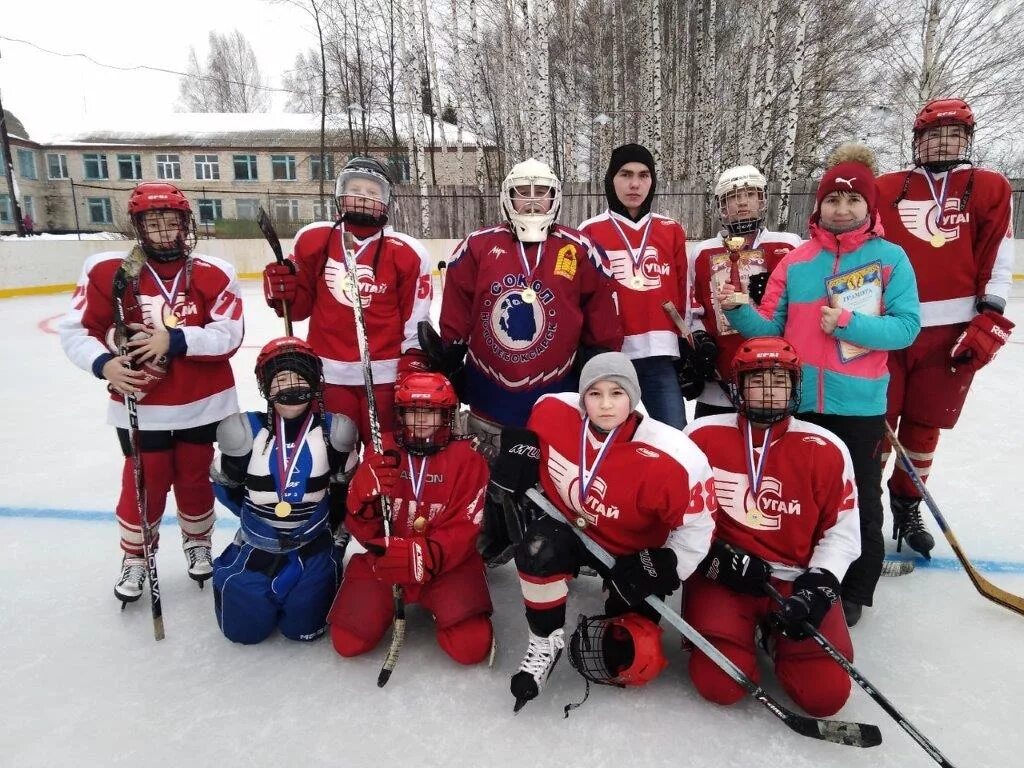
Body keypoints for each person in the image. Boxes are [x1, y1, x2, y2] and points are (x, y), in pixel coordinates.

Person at [717, 144, 920, 626]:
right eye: (833, 200)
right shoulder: (798, 262)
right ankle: (805, 575)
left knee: (860, 501)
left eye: (853, 202)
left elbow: (907, 327)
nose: (842, 210)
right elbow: (771, 330)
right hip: (801, 402)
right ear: (819, 206)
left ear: (869, 208)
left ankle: (853, 591)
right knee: (804, 498)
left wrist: (848, 323)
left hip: (860, 407)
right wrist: (738, 310)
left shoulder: (891, 259)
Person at [59, 181, 243, 605]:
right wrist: (104, 363)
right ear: (138, 226)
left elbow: (229, 334)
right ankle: (136, 556)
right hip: (141, 403)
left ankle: (198, 542)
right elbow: (77, 330)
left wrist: (174, 340)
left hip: (202, 401)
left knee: (195, 476)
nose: (163, 231)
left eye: (171, 221)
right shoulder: (109, 271)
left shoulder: (214, 273)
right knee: (145, 479)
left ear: (186, 224)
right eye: (153, 221)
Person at [500, 352, 716, 711]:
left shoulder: (674, 456)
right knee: (538, 547)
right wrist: (520, 452)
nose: (605, 405)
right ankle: (544, 640)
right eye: (595, 394)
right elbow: (529, 435)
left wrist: (667, 564)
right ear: (582, 396)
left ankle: (621, 604)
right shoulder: (552, 410)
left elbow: (699, 528)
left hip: (631, 554)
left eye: (616, 393)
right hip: (570, 528)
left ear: (633, 396)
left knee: (627, 654)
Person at [683, 336, 860, 718]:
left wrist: (820, 585)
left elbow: (842, 531)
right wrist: (715, 560)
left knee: (825, 696)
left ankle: (777, 638)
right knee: (720, 685)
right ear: (738, 387)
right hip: (727, 579)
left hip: (794, 579)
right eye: (757, 382)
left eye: (779, 383)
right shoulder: (700, 436)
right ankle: (744, 630)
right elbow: (680, 516)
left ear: (795, 389)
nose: (768, 392)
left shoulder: (826, 447)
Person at [876, 98, 1015, 558]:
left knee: (923, 426)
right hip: (889, 324)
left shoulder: (990, 187)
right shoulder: (886, 187)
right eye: (933, 134)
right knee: (875, 423)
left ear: (969, 138)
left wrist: (988, 315)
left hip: (949, 330)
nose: (943, 142)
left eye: (954, 133)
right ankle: (863, 508)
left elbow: (996, 254)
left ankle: (907, 500)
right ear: (917, 140)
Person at [437, 158, 624, 458]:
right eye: (523, 192)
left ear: (555, 198)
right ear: (508, 198)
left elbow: (601, 313)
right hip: (488, 393)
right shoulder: (477, 245)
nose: (533, 201)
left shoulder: (579, 248)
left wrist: (599, 357)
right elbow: (457, 307)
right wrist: (451, 351)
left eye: (542, 193)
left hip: (557, 391)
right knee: (487, 484)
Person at [262, 157, 433, 447]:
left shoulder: (408, 252)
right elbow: (299, 310)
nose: (363, 198)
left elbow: (415, 318)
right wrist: (282, 291)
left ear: (386, 200)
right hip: (329, 375)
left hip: (385, 377)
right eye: (356, 189)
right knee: (335, 456)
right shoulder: (314, 238)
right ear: (340, 194)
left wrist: (410, 368)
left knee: (387, 455)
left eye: (372, 192)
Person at [327, 372, 494, 666]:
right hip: (386, 561)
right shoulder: (381, 446)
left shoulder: (469, 455)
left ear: (448, 414)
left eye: (430, 412)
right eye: (413, 411)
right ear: (400, 414)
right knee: (348, 642)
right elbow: (364, 532)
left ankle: (447, 606)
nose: (422, 420)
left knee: (470, 648)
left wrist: (421, 556)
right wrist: (360, 501)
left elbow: (465, 527)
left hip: (447, 567)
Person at [209, 337, 356, 644]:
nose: (290, 388)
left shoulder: (335, 432)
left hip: (312, 544)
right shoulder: (244, 431)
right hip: (257, 546)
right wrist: (258, 525)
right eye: (281, 380)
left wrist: (334, 532)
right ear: (266, 386)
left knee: (303, 631)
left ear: (315, 383)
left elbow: (346, 492)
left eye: (300, 378)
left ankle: (323, 566)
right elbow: (226, 489)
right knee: (244, 633)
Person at [578, 143, 689, 428]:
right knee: (609, 440)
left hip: (659, 357)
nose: (635, 184)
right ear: (610, 179)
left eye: (644, 175)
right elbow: (581, 296)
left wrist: (686, 340)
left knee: (674, 437)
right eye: (625, 174)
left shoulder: (671, 229)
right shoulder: (590, 231)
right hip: (610, 356)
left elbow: (682, 290)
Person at [687, 165, 803, 418]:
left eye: (749, 194)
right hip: (721, 372)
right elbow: (695, 308)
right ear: (721, 205)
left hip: (774, 374)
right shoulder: (702, 251)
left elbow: (800, 307)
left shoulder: (789, 244)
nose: (742, 203)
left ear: (761, 199)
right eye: (732, 197)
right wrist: (700, 340)